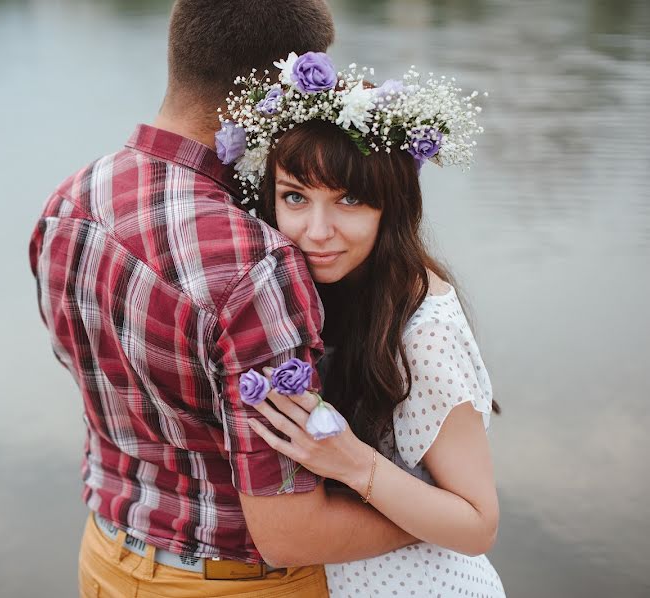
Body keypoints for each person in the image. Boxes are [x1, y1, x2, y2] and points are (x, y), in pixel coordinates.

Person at [28, 3, 416, 597]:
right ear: (276, 90)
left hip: (105, 555)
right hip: (234, 583)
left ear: (181, 55)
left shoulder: (70, 202)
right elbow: (290, 532)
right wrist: (435, 519)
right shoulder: (256, 265)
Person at [217, 56, 506, 596]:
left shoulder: (423, 325)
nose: (317, 231)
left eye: (349, 200)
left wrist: (352, 463)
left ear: (389, 207)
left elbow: (478, 524)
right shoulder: (313, 295)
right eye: (295, 197)